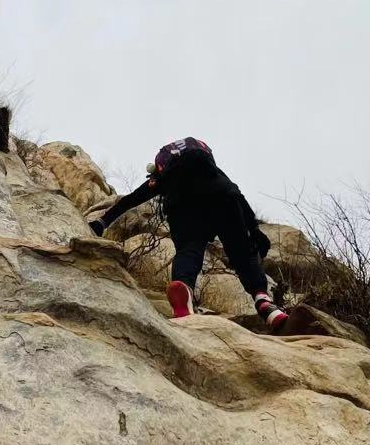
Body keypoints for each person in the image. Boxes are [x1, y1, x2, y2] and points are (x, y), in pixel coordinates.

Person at [88, 137, 289, 331]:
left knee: (189, 249)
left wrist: (102, 222)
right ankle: (264, 301)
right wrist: (254, 229)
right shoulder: (213, 171)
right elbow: (236, 193)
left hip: (182, 203)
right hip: (224, 198)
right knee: (242, 252)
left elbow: (132, 199)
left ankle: (184, 288)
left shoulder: (166, 176)